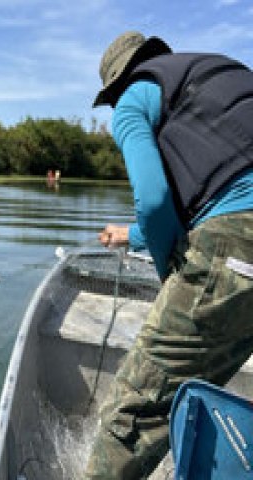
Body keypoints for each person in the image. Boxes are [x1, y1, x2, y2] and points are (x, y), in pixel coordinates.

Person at [85, 31, 253, 479]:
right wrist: (132, 235)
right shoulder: (228, 77)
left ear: (116, 85)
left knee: (129, 417)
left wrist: (171, 277)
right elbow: (225, 193)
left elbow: (157, 201)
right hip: (240, 246)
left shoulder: (132, 101)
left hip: (237, 253)